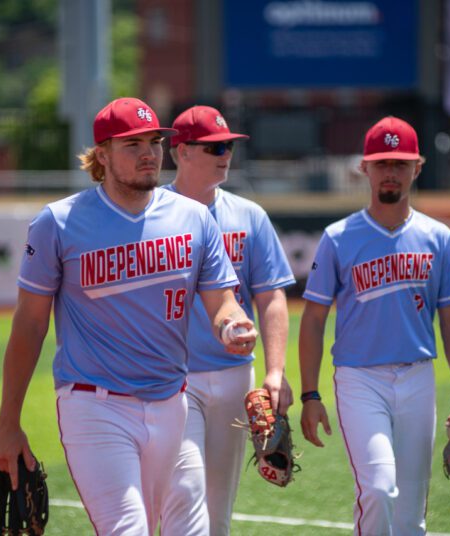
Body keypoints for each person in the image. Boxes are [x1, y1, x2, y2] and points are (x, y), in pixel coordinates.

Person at [0, 97, 258, 536]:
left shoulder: (194, 218)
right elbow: (30, 324)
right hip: (96, 406)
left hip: (173, 402)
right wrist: (8, 423)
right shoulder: (58, 222)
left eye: (154, 142)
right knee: (128, 529)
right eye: (132, 144)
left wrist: (232, 323)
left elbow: (222, 301)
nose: (148, 153)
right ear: (102, 154)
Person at [299, 116, 450, 535]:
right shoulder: (338, 237)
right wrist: (310, 394)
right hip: (360, 379)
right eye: (382, 163)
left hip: (418, 378)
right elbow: (313, 320)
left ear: (418, 167)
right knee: (379, 489)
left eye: (400, 162)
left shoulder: (438, 237)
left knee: (411, 514)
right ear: (365, 168)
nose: (391, 171)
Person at [160, 105, 296, 536]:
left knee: (218, 511)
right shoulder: (152, 215)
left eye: (229, 147)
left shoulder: (249, 215)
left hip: (236, 376)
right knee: (184, 492)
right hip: (173, 379)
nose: (226, 155)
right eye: (214, 147)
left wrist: (275, 371)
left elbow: (271, 296)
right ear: (182, 151)